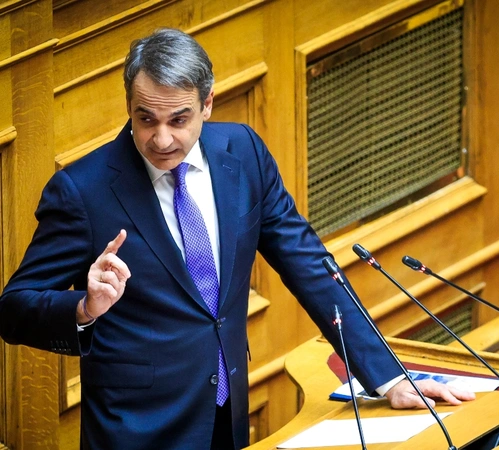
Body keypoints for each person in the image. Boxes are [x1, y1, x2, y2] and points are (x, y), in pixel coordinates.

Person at [0, 28, 473, 449]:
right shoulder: (82, 190)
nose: (161, 139)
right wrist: (84, 308)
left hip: (226, 413)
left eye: (178, 120)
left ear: (207, 104)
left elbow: (306, 262)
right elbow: (14, 309)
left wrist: (388, 377)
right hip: (137, 429)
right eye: (145, 119)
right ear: (129, 105)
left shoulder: (243, 152)